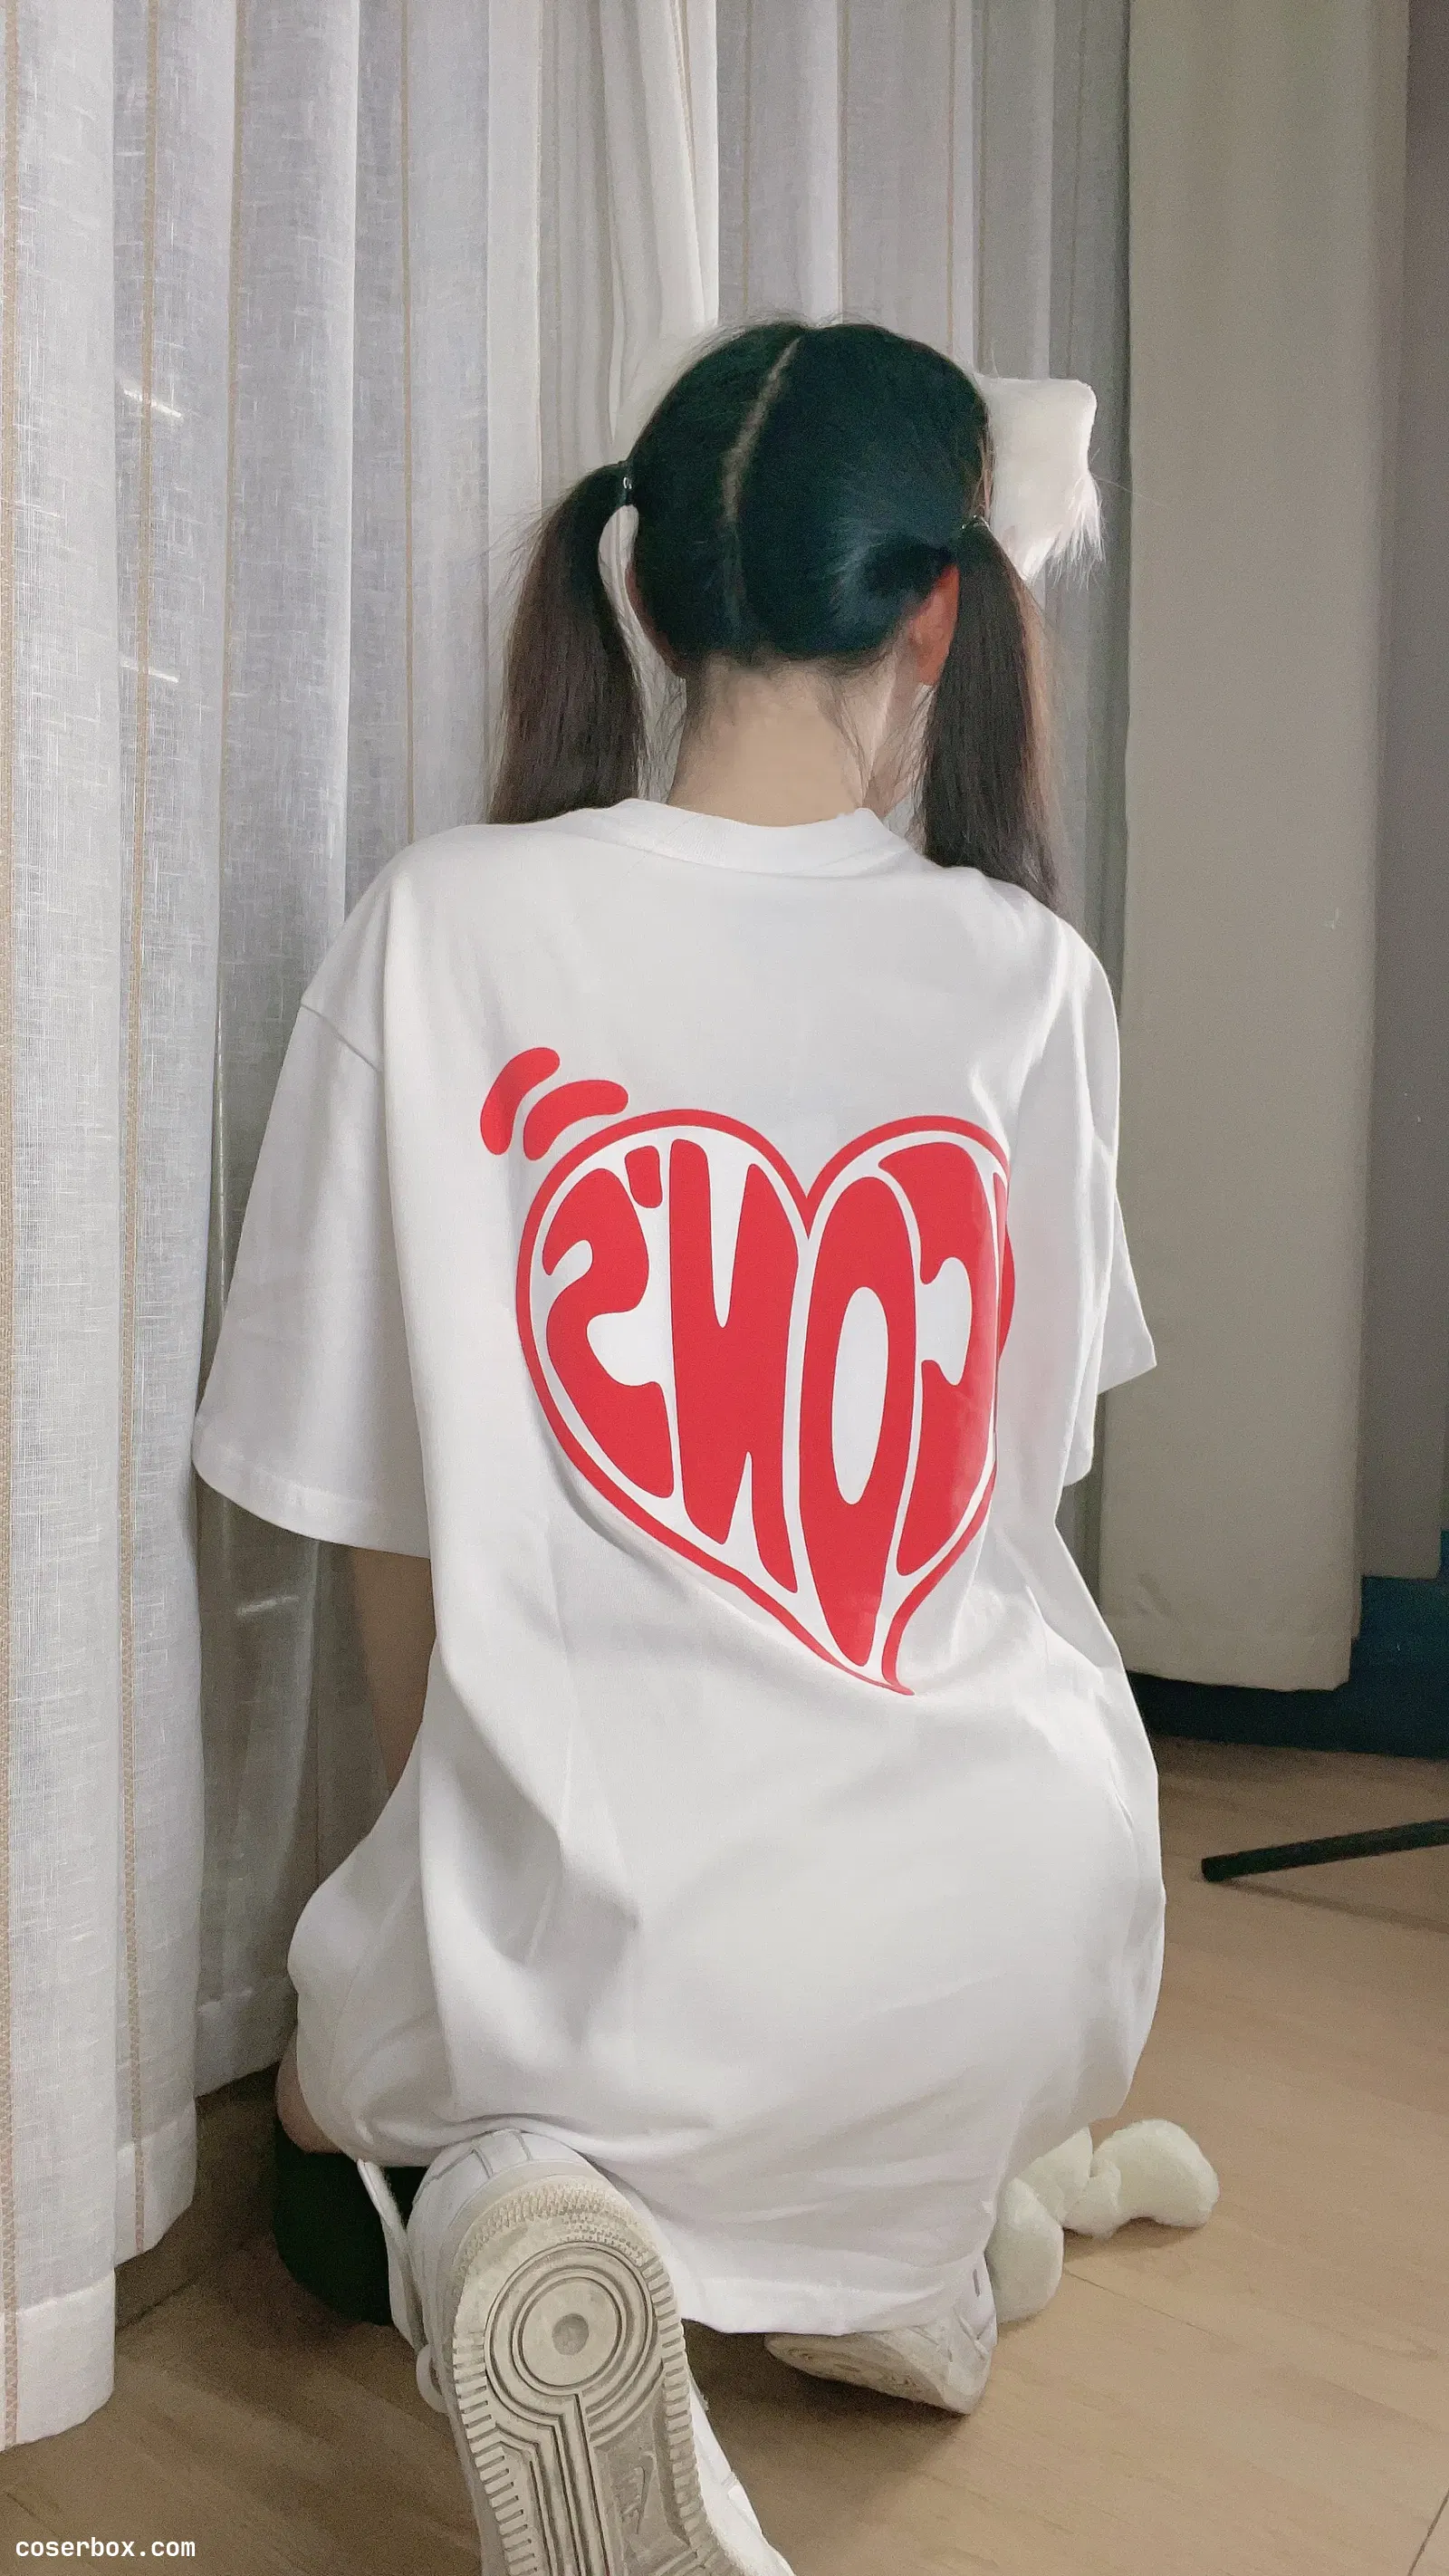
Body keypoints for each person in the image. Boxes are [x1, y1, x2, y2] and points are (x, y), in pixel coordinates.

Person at [194, 317, 1166, 2576]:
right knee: (864, 2047)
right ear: (936, 616)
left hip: (623, 1928)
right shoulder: (1031, 979)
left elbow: (375, 1527)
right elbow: (997, 1505)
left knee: (335, 2118)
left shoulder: (441, 928)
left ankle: (522, 2206)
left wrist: (447, 1907)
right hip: (1020, 1906)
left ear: (635, 589)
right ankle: (881, 2249)